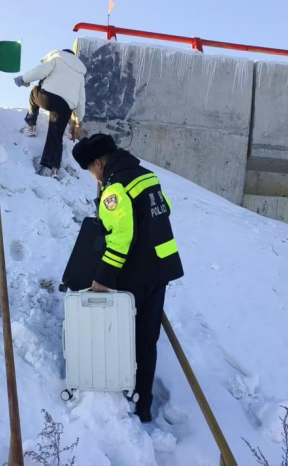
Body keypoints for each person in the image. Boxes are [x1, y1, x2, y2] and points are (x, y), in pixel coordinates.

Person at [72, 133, 185, 423]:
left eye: (91, 171)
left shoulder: (115, 188)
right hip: (161, 267)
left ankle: (125, 395)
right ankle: (143, 405)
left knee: (127, 337)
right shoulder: (146, 176)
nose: (93, 176)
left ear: (98, 164)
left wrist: (103, 277)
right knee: (147, 339)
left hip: (136, 272)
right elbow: (164, 209)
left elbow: (121, 237)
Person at [14, 49, 86, 178]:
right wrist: (78, 118)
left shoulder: (57, 58)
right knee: (56, 136)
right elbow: (81, 99)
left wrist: (23, 78)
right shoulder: (80, 74)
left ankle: (32, 125)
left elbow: (40, 71)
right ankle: (54, 169)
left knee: (34, 91)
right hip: (66, 107)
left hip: (49, 98)